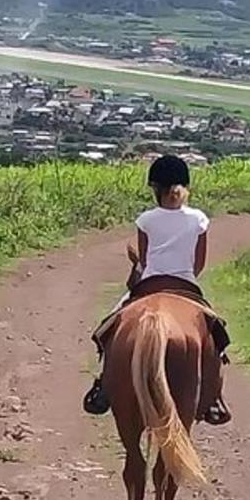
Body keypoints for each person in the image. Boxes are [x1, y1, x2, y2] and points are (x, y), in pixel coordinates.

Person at [82, 154, 230, 425]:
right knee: (217, 336)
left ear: (155, 189)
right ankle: (214, 398)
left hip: (149, 283)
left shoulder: (146, 220)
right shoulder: (198, 219)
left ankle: (104, 384)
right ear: (185, 187)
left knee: (108, 328)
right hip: (187, 285)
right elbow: (199, 264)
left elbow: (145, 260)